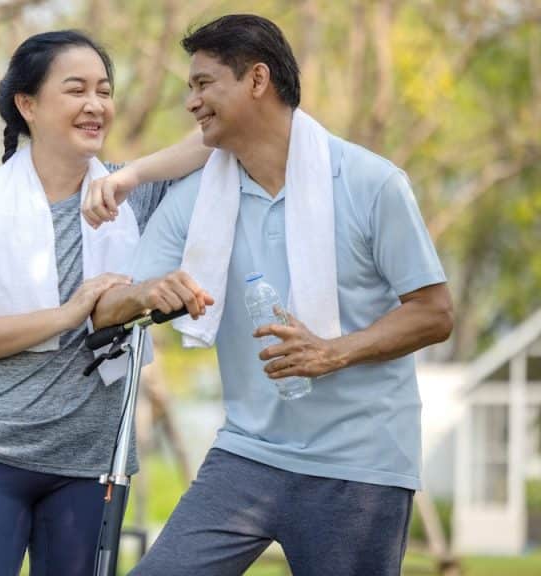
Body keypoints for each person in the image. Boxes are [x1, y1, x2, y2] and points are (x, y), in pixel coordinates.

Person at [88, 14, 454, 576]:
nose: (192, 102)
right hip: (248, 454)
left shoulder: (371, 183)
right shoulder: (195, 200)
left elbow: (434, 313)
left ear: (257, 80)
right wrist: (145, 293)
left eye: (204, 84)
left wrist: (335, 351)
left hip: (360, 465)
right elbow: (108, 310)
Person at [0, 30, 210, 576]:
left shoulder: (133, 196)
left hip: (92, 464)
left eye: (104, 90)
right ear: (27, 105)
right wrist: (68, 315)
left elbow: (218, 138)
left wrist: (135, 172)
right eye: (75, 90)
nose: (95, 104)